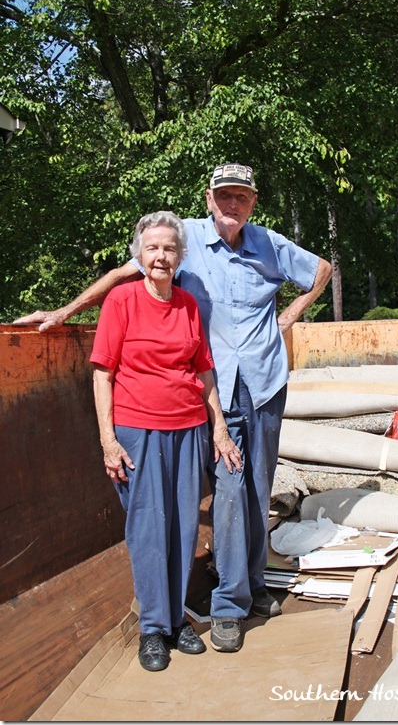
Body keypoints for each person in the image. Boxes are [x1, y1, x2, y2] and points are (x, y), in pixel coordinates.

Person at [14, 163, 333, 653]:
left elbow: (322, 271)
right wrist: (63, 312)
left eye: (242, 197)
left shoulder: (269, 243)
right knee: (227, 488)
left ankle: (251, 584)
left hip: (264, 384)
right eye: (224, 196)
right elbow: (127, 275)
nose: (232, 205)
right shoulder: (181, 241)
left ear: (253, 201)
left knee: (255, 488)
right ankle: (227, 605)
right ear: (209, 199)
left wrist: (288, 316)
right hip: (210, 395)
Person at [90, 210, 242, 672]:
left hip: (188, 429)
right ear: (139, 253)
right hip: (139, 432)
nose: (160, 255)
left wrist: (217, 427)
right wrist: (108, 442)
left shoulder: (188, 304)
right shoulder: (121, 301)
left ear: (180, 255)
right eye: (152, 247)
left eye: (169, 248)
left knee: (181, 528)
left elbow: (204, 371)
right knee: (148, 530)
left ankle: (176, 620)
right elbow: (102, 374)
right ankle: (153, 630)